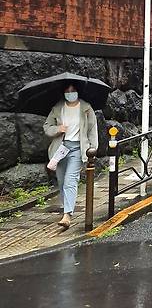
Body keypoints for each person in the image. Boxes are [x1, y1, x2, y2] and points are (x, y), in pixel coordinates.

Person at [44, 83, 98, 229]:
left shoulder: (86, 108)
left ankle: (67, 215)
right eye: (67, 91)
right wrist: (58, 129)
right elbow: (47, 127)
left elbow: (92, 129)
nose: (70, 93)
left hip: (78, 149)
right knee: (61, 181)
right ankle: (65, 207)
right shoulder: (57, 108)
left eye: (73, 90)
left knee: (70, 180)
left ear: (78, 92)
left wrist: (93, 149)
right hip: (61, 148)